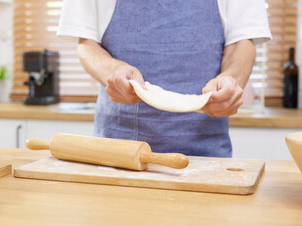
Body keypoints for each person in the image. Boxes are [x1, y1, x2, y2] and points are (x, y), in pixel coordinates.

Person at [57, 0, 271, 157]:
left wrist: (231, 79)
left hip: (206, 152)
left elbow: (241, 41)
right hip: (119, 151)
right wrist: (112, 70)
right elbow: (86, 44)